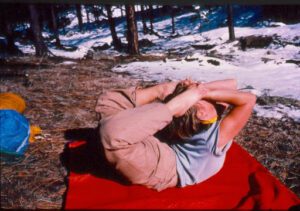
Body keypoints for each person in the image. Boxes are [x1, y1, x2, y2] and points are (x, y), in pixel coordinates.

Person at [95, 79, 256, 191]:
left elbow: (233, 85)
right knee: (110, 103)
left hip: (170, 164)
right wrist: (181, 91)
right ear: (202, 112)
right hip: (170, 151)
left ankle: (169, 106)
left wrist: (194, 94)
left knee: (112, 132)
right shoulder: (211, 120)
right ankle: (166, 100)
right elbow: (243, 96)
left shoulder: (214, 133)